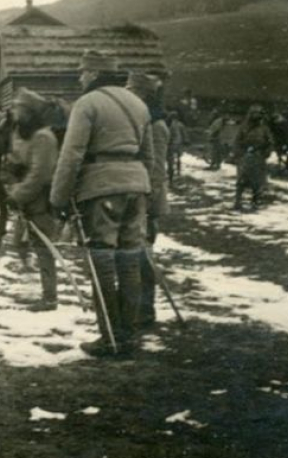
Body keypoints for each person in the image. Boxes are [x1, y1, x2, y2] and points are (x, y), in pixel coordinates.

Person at [50, 50, 154, 358]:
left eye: (83, 72)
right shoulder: (139, 104)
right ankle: (129, 335)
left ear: (94, 74)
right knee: (130, 257)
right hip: (137, 186)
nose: (80, 77)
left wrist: (58, 197)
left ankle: (108, 336)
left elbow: (72, 155)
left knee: (102, 259)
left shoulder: (88, 103)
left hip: (102, 187)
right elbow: (148, 155)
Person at [2, 88, 60, 312]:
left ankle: (50, 297)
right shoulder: (21, 132)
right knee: (19, 242)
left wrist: (17, 195)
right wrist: (10, 170)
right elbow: (14, 160)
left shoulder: (43, 137)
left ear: (30, 112)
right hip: (25, 197)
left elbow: (40, 174)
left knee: (44, 248)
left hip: (41, 199)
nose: (15, 112)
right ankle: (32, 285)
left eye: (20, 108)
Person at [140, 85, 170, 327]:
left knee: (144, 256)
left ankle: (146, 310)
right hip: (142, 198)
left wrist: (145, 203)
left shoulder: (156, 126)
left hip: (148, 201)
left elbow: (157, 170)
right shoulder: (146, 123)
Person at [233, 105, 273, 211]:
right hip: (245, 157)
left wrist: (265, 153)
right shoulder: (244, 127)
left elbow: (270, 142)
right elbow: (237, 141)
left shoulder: (264, 129)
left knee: (257, 181)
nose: (257, 116)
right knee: (241, 180)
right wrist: (240, 154)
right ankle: (237, 201)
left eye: (259, 114)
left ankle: (255, 201)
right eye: (255, 114)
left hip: (258, 157)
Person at [166, 111, 188, 183]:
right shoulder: (180, 124)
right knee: (178, 158)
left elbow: (169, 134)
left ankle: (171, 172)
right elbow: (184, 133)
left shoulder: (170, 125)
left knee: (171, 159)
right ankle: (178, 171)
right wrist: (185, 140)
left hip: (172, 143)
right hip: (179, 142)